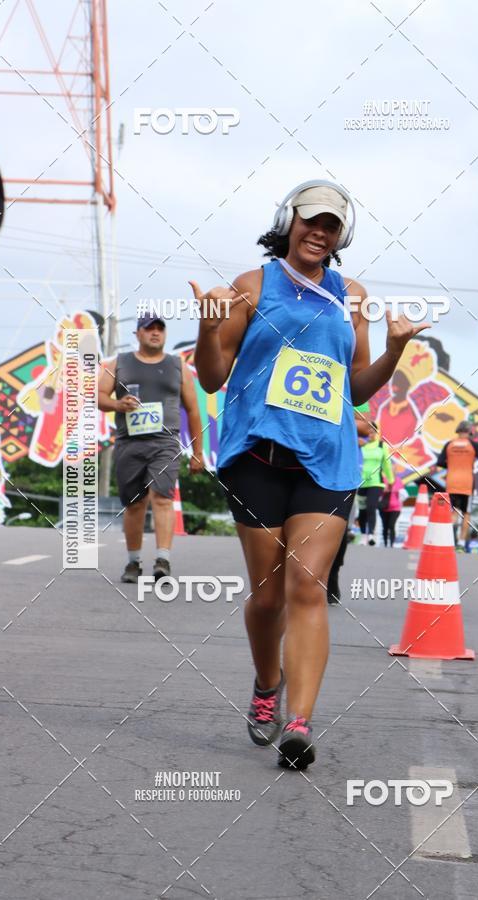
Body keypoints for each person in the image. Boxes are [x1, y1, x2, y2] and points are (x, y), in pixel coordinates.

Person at [192, 179, 429, 769]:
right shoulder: (252, 286)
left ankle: (299, 721)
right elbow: (212, 378)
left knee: (306, 585)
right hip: (258, 457)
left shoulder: (352, 296)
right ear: (289, 222)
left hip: (326, 461)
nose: (320, 233)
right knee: (268, 595)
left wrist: (394, 351)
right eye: (311, 221)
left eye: (331, 226)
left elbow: (356, 387)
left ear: (341, 237)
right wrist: (207, 326)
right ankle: (266, 684)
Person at [98, 313, 204, 582]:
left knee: (162, 497)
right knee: (134, 504)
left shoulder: (178, 366)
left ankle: (162, 560)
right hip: (129, 443)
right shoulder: (118, 363)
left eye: (160, 329)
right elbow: (98, 396)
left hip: (165, 443)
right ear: (138, 334)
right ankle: (133, 562)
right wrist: (117, 404)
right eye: (148, 329)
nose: (155, 333)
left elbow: (193, 411)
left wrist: (198, 453)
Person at [327, 405, 372, 605]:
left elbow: (365, 427)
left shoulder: (348, 387)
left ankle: (332, 572)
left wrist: (328, 415)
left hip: (341, 470)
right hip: (300, 463)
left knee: (339, 527)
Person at [433, 420, 478, 551]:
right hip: (467, 484)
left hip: (451, 483)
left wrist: (451, 465)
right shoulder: (474, 445)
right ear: (470, 432)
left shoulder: (449, 444)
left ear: (458, 431)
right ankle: (461, 543)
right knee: (466, 513)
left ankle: (449, 541)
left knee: (454, 512)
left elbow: (439, 462)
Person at [357, 423, 393, 545]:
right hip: (361, 482)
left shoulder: (382, 445)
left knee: (371, 507)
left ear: (377, 432)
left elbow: (386, 464)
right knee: (362, 510)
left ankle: (371, 535)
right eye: (369, 432)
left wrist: (391, 481)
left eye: (373, 431)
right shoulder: (362, 445)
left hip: (376, 483)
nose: (371, 434)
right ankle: (363, 535)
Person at [378, 463, 405, 548]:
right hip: (384, 507)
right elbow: (378, 492)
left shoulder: (399, 481)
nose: (392, 471)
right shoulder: (384, 480)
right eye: (390, 469)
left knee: (391, 525)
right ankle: (385, 543)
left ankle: (392, 544)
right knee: (385, 526)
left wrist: (396, 491)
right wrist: (383, 490)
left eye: (394, 469)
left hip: (395, 508)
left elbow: (403, 494)